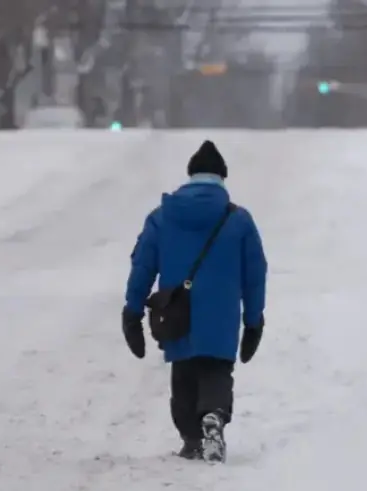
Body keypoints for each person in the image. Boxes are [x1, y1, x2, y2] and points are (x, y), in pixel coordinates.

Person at [121, 140, 268, 463]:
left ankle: (191, 438)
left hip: (177, 313)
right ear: (222, 178)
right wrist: (254, 321)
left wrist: (132, 312)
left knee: (184, 373)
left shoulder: (161, 217)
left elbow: (143, 265)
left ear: (189, 176)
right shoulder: (238, 220)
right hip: (222, 316)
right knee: (216, 370)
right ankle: (214, 416)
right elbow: (255, 272)